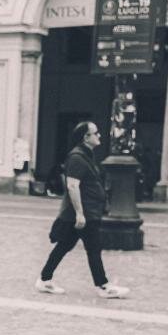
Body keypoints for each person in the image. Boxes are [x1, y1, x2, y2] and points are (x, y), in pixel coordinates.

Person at [36, 121, 130, 299]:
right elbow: (72, 186)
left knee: (64, 246)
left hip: (86, 212)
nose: (99, 135)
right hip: (84, 213)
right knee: (93, 248)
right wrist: (80, 213)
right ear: (85, 137)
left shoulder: (85, 156)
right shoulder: (77, 158)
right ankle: (103, 286)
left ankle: (44, 279)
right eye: (95, 133)